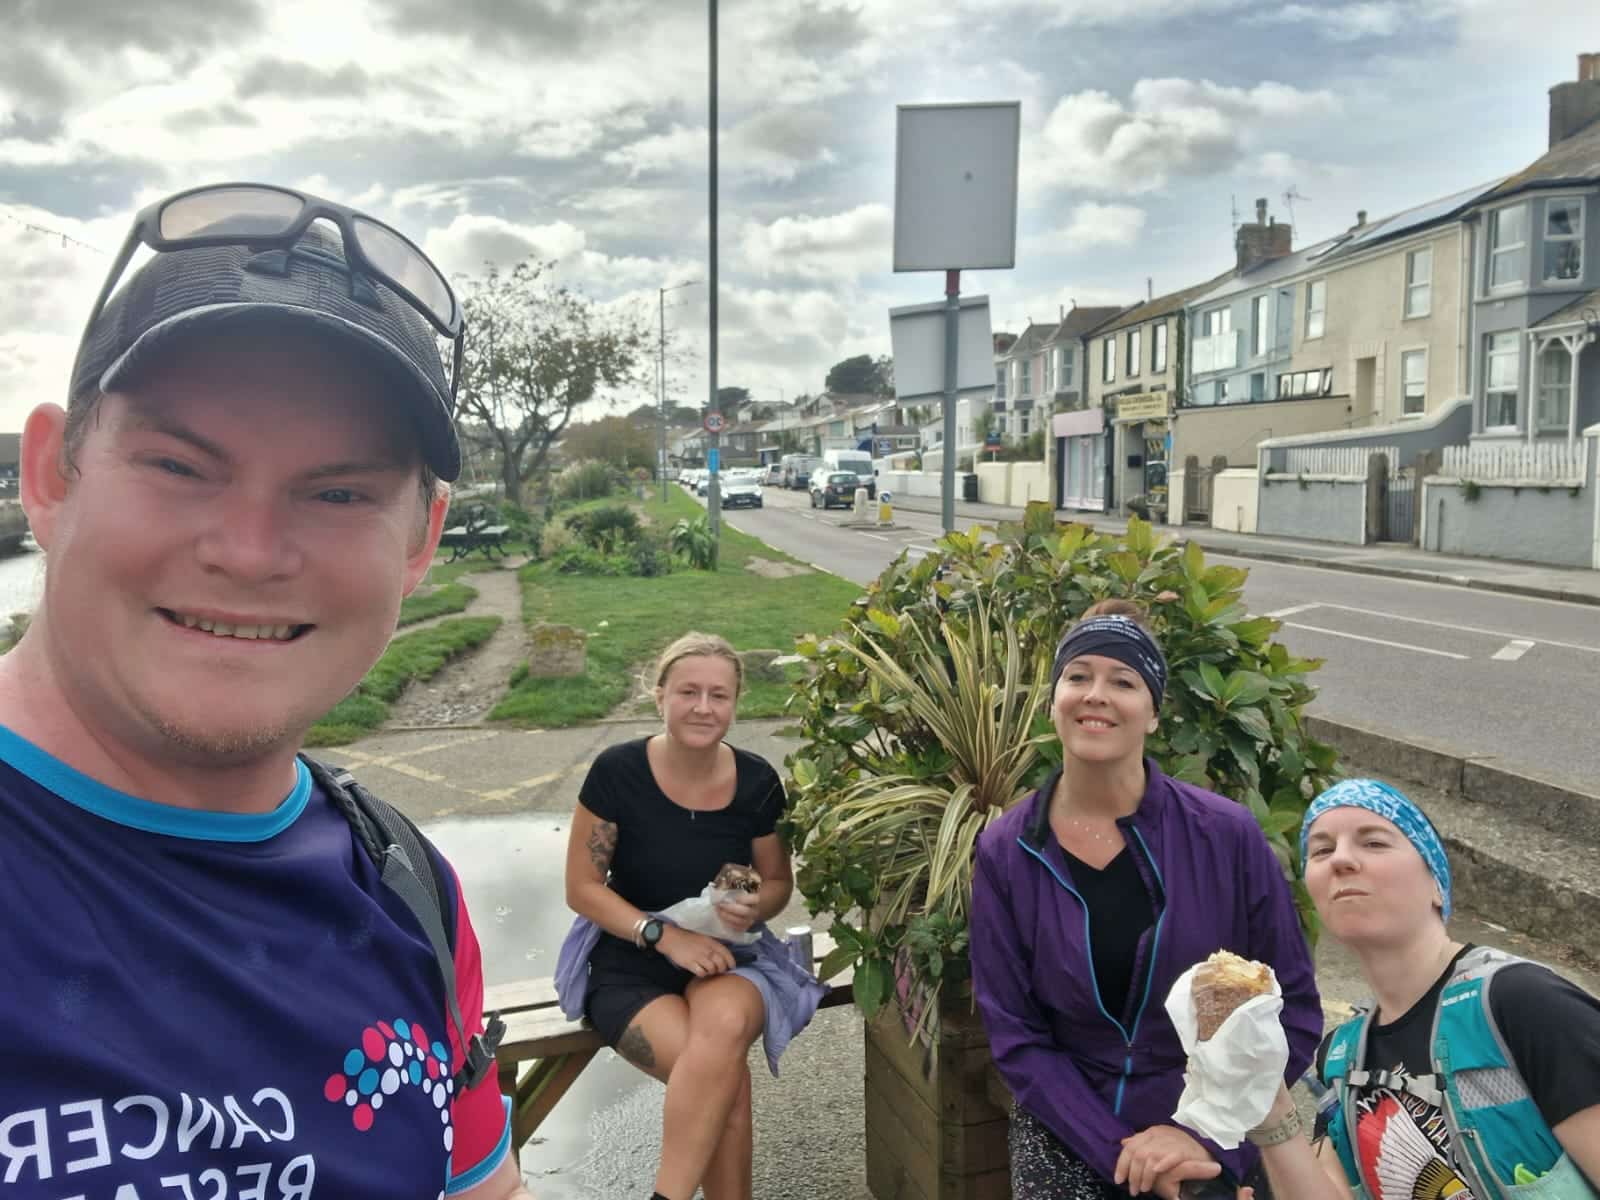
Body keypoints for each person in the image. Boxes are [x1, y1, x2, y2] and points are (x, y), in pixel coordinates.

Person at [0, 183, 530, 1198]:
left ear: (421, 540)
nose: (248, 553)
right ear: (51, 477)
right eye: (178, 465)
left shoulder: (408, 887)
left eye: (337, 493)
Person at [969, 599, 1323, 1200]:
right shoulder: (1008, 849)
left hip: (1214, 1120)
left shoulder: (1226, 835)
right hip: (1068, 1121)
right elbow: (1017, 1034)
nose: (1095, 694)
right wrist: (1121, 1152)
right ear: (1055, 701)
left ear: (1153, 714)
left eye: (1123, 681)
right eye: (1077, 676)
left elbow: (1293, 1010)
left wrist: (1202, 1136)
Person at [1243, 778, 1600, 1198]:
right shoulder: (1339, 1057)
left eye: (1373, 842)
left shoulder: (1522, 1003)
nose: (1340, 860)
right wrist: (1263, 1097)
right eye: (1321, 850)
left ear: (1436, 883)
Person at [561, 632, 819, 1200]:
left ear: (735, 704)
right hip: (630, 957)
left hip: (731, 957)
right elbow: (581, 888)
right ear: (659, 697)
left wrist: (755, 903)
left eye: (719, 695)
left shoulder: (756, 782)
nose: (704, 707)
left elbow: (777, 883)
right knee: (725, 1086)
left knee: (723, 1034)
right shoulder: (617, 771)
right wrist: (662, 935)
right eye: (688, 692)